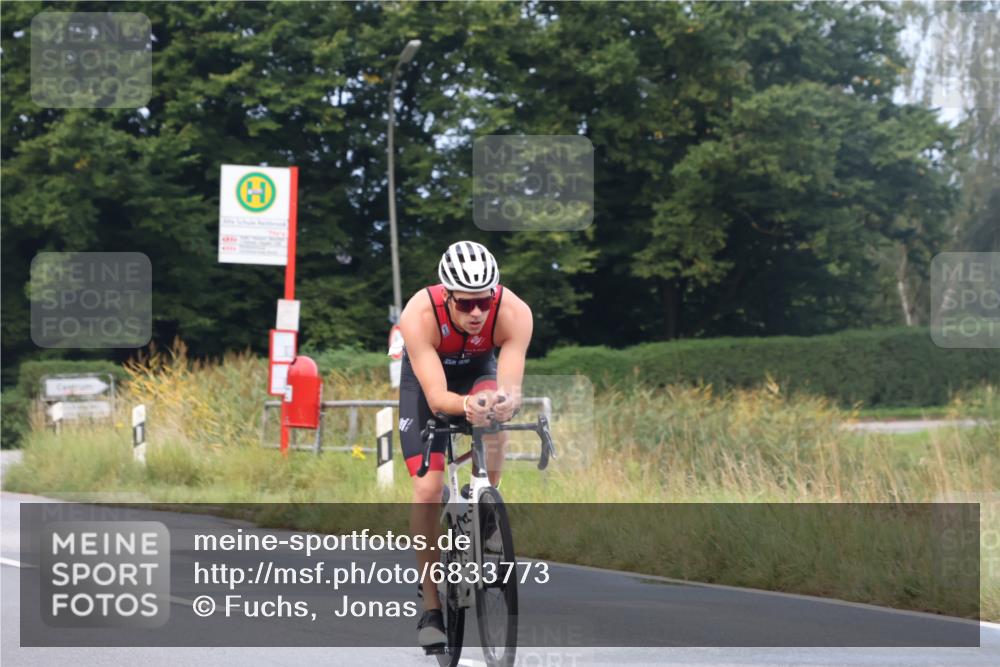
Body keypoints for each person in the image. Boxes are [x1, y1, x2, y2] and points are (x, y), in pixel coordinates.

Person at [396, 240, 533, 652]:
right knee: (427, 488)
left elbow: (509, 386)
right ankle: (433, 607)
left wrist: (501, 403)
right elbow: (438, 398)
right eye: (466, 304)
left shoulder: (514, 313)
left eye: (484, 303)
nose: (476, 313)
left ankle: (487, 503)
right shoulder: (418, 315)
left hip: (478, 372)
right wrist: (464, 406)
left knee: (495, 412)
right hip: (426, 386)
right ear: (447, 296)